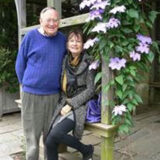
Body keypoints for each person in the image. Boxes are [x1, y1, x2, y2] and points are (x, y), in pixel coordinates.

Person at [15, 7, 66, 160]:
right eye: (48, 20)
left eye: (55, 20)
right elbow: (20, 64)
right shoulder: (30, 37)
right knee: (32, 139)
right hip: (32, 96)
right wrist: (27, 85)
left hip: (54, 96)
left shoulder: (62, 39)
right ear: (41, 21)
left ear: (59, 22)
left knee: (51, 138)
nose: (52, 23)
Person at [45, 30, 95, 160]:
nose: (75, 44)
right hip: (64, 102)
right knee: (49, 140)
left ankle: (87, 150)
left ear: (83, 44)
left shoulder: (89, 62)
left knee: (56, 134)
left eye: (78, 41)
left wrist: (71, 104)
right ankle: (86, 150)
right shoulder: (65, 60)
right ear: (67, 44)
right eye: (72, 40)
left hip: (80, 105)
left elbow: (91, 90)